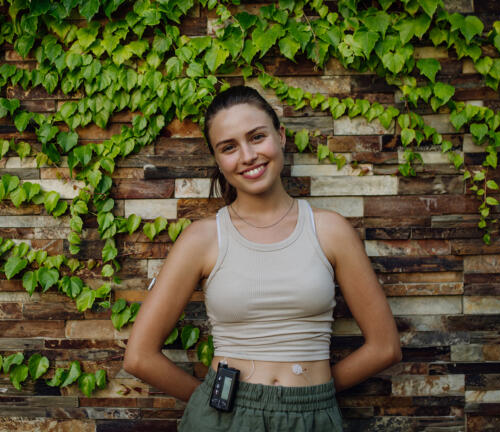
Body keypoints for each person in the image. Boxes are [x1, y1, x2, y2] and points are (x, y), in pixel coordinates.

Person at [124, 85, 401, 431]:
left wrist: (313, 394)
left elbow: (385, 347)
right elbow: (138, 357)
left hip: (312, 414)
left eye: (256, 137)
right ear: (218, 159)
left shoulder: (330, 230)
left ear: (281, 136)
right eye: (229, 147)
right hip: (222, 418)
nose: (247, 155)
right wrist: (214, 401)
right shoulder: (202, 238)